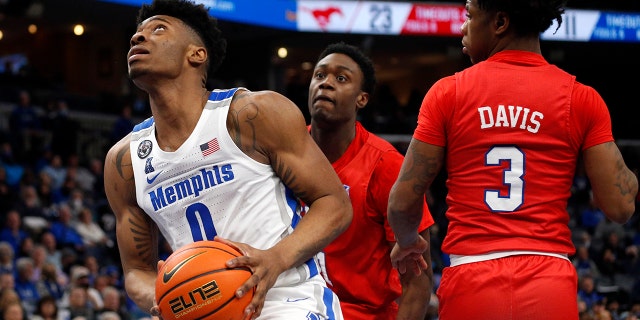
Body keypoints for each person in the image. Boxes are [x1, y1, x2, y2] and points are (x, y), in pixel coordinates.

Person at [386, 0, 639, 319]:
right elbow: (620, 206)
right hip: (550, 281)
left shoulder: (448, 93)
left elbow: (401, 202)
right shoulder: (581, 98)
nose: (463, 27)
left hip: (473, 279)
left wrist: (408, 241)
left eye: (469, 16)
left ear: (500, 22)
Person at [103, 0, 352, 319]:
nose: (138, 38)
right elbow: (137, 270)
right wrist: (165, 295)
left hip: (286, 300)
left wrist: (274, 259)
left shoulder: (253, 114)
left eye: (158, 29)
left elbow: (334, 204)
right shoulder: (124, 162)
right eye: (135, 34)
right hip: (206, 311)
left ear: (196, 53)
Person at [306, 42, 433, 319]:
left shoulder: (386, 165)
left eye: (341, 78)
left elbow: (418, 285)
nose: (326, 84)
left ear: (361, 99)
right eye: (319, 75)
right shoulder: (283, 154)